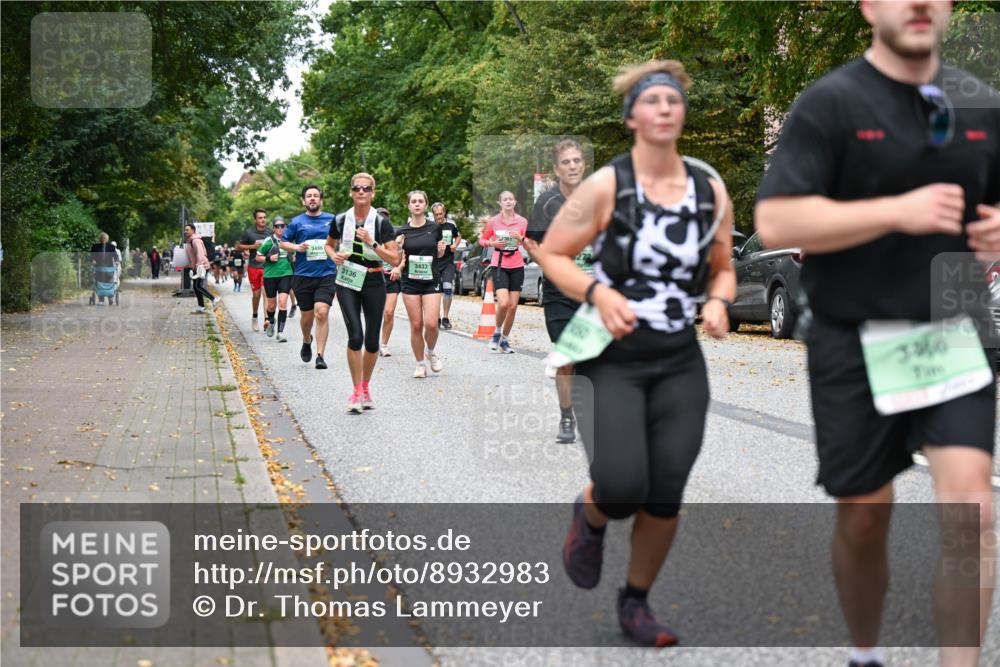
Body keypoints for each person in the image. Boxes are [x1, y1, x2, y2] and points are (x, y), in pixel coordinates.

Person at [754, 3, 999, 666]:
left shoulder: (979, 106)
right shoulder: (831, 103)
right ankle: (865, 650)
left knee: (973, 513)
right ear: (867, 6)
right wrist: (898, 209)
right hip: (853, 335)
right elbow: (776, 220)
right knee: (863, 519)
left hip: (949, 331)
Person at [534, 59, 735, 647]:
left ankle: (636, 602)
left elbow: (722, 269)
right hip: (613, 356)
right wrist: (598, 291)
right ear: (632, 117)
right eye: (653, 100)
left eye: (675, 100)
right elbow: (552, 255)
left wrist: (719, 303)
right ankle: (590, 515)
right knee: (621, 483)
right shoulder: (607, 186)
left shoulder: (708, 186)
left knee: (666, 487)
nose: (666, 108)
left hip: (679, 360)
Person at [525, 138, 588, 444]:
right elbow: (532, 243)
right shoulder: (547, 203)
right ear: (557, 168)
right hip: (559, 291)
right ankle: (567, 417)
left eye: (577, 161)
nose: (572, 166)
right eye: (566, 162)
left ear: (584, 164)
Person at [328, 174, 400, 411]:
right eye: (357, 188)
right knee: (355, 336)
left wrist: (372, 243)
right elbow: (329, 243)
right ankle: (356, 391)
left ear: (373, 193)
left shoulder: (381, 223)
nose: (361, 192)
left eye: (366, 188)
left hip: (374, 280)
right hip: (348, 279)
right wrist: (333, 255)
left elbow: (394, 257)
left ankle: (366, 386)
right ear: (351, 192)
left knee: (371, 341)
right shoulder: (340, 220)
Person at [281, 185, 338, 370]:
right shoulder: (297, 222)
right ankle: (307, 340)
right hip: (303, 275)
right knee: (306, 317)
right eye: (309, 196)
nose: (312, 199)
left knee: (321, 312)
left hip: (326, 274)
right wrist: (297, 248)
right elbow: (283, 243)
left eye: (315, 196)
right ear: (303, 200)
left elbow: (343, 239)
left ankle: (320, 355)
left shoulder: (332, 219)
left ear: (321, 199)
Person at [397, 190, 446, 378]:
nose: (417, 204)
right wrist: (399, 247)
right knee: (416, 325)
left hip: (431, 280)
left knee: (432, 323)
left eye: (420, 201)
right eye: (413, 201)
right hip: (410, 281)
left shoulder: (435, 228)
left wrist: (441, 251)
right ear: (409, 205)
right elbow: (397, 258)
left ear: (426, 205)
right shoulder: (402, 232)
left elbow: (439, 255)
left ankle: (431, 351)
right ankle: (419, 364)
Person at [479, 191, 528, 353]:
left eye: (510, 199)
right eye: (504, 200)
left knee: (513, 306)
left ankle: (505, 340)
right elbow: (482, 240)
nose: (508, 202)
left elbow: (529, 244)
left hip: (517, 265)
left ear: (515, 202)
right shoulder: (493, 222)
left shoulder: (522, 222)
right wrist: (493, 243)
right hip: (499, 264)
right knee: (504, 303)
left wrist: (521, 239)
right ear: (500, 203)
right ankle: (497, 332)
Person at [258, 216, 295, 343]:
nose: (280, 228)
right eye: (277, 226)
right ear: (273, 228)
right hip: (270, 276)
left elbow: (295, 253)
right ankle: (272, 322)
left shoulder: (289, 240)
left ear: (285, 227)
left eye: (282, 226)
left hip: (286, 274)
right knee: (272, 305)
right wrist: (269, 259)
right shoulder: (268, 241)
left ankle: (280, 333)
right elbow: (258, 257)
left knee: (283, 302)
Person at [237, 208, 272, 331]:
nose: (263, 220)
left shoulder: (270, 232)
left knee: (266, 293)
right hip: (253, 266)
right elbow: (239, 246)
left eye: (264, 217)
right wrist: (252, 246)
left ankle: (267, 319)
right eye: (260, 218)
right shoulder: (249, 232)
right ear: (255, 220)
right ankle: (255, 317)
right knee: (256, 295)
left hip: (267, 266)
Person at [431, 202, 461, 329]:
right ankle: (436, 317)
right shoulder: (430, 227)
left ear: (444, 213)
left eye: (441, 213)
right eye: (436, 214)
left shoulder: (451, 225)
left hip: (448, 262)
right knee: (436, 291)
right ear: (433, 215)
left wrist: (455, 245)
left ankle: (446, 317)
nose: (439, 216)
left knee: (448, 288)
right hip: (435, 263)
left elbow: (458, 236)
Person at [377, 207, 401, 357]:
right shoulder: (368, 234)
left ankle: (384, 344)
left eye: (385, 217)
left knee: (389, 312)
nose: (383, 219)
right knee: (373, 313)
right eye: (380, 217)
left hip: (391, 277)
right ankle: (372, 341)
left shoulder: (396, 235)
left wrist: (398, 267)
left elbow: (404, 255)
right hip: (373, 277)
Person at [184, 223, 220, 314]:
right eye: (185, 230)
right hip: (197, 266)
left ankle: (214, 299)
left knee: (197, 286)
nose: (185, 231)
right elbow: (192, 256)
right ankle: (201, 307)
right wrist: (191, 266)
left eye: (187, 229)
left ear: (193, 230)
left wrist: (199, 266)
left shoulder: (195, 240)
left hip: (201, 266)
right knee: (196, 287)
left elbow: (200, 254)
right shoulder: (190, 240)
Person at [89, 233, 119, 304]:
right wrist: (93, 260)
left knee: (109, 282)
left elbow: (115, 255)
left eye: (105, 238)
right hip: (99, 267)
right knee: (100, 283)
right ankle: (101, 300)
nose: (103, 239)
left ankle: (110, 298)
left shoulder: (111, 247)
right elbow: (92, 255)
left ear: (107, 239)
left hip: (109, 268)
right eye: (102, 238)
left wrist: (117, 261)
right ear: (100, 239)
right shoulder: (95, 246)